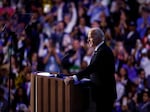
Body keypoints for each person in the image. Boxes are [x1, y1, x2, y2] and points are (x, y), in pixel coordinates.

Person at [64, 27, 117, 112]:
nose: (88, 40)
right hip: (101, 93)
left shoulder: (103, 51)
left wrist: (74, 78)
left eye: (90, 37)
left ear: (97, 38)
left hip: (105, 94)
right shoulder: (100, 49)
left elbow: (92, 67)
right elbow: (98, 70)